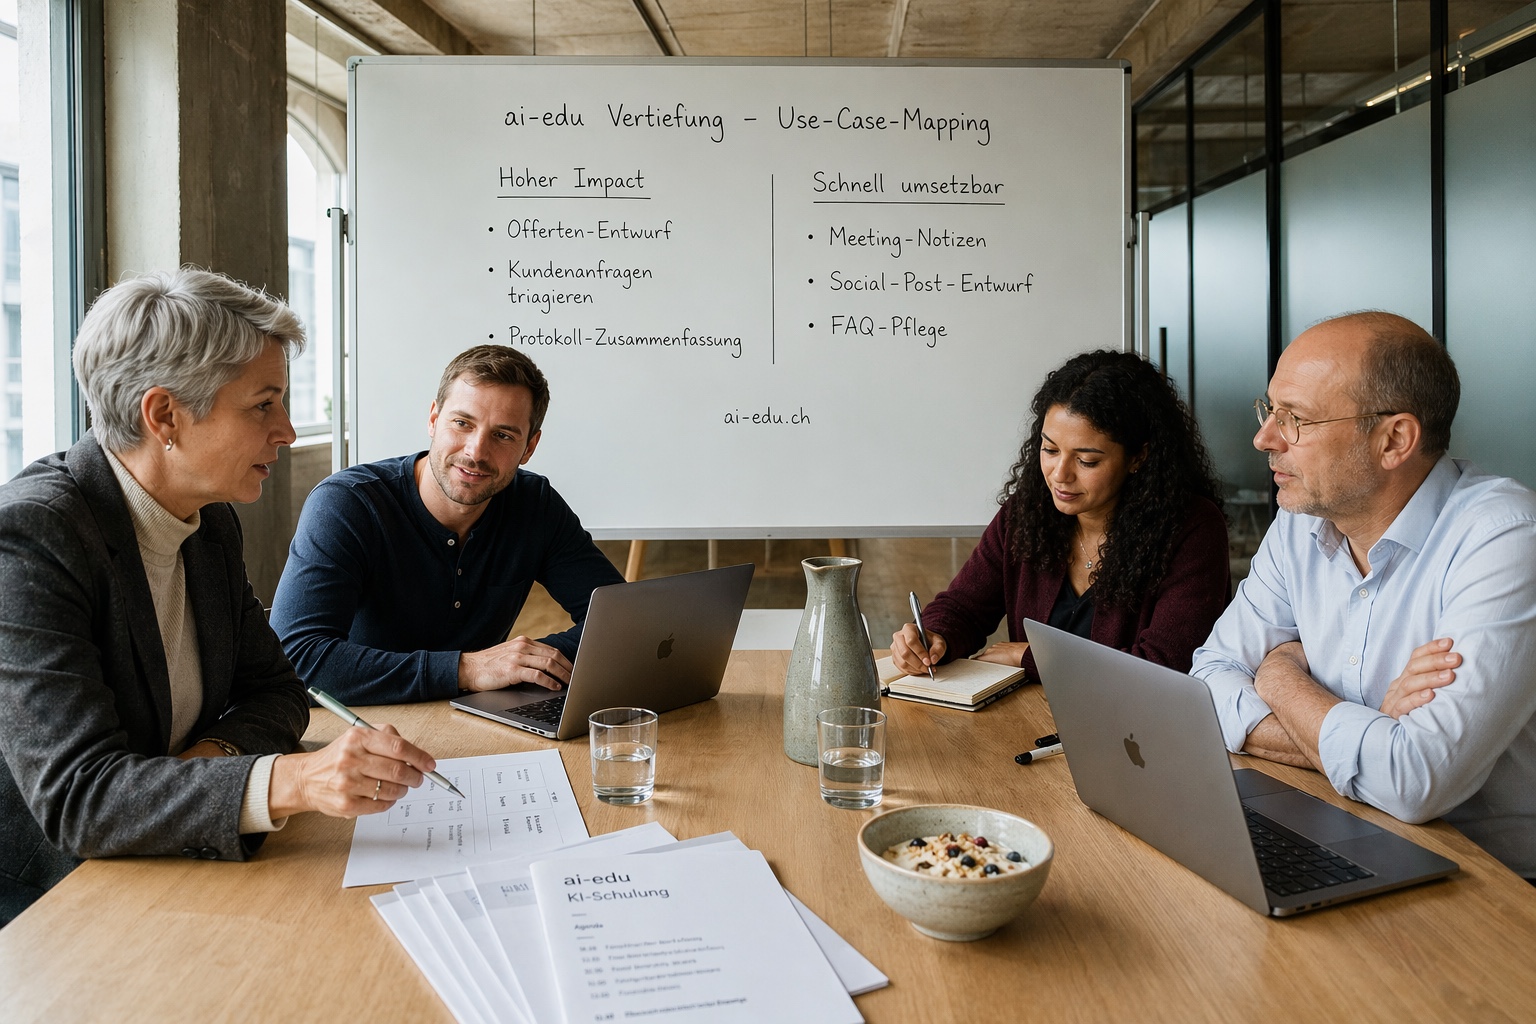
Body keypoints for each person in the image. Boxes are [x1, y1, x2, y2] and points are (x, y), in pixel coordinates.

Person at [0, 269, 441, 925]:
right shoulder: (34, 537)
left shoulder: (206, 521)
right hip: (61, 906)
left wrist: (206, 764)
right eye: (263, 405)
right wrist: (296, 780)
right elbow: (80, 799)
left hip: (174, 863)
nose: (288, 431)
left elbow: (279, 692)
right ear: (165, 415)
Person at [1192, 311, 1536, 877]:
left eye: (1295, 419)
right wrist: (1372, 725)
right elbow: (1208, 677)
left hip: (1489, 884)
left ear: (1394, 439)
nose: (1264, 438)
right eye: (1269, 409)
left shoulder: (1503, 538)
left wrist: (1278, 677)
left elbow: (1412, 780)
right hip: (1345, 826)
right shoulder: (1300, 521)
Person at [270, 345, 624, 705]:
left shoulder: (536, 504)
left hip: (475, 718)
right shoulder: (347, 504)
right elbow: (294, 659)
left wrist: (524, 662)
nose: (476, 452)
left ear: (529, 447)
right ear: (433, 419)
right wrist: (468, 670)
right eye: (462, 423)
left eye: (503, 435)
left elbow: (620, 620)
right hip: (363, 726)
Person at [890, 349, 1230, 682]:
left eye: (1087, 461)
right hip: (1030, 721)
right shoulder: (1028, 512)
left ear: (1138, 458)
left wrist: (1030, 659)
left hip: (1131, 732)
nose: (1059, 474)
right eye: (1050, 449)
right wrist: (934, 636)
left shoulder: (1192, 528)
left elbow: (1167, 664)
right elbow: (964, 607)